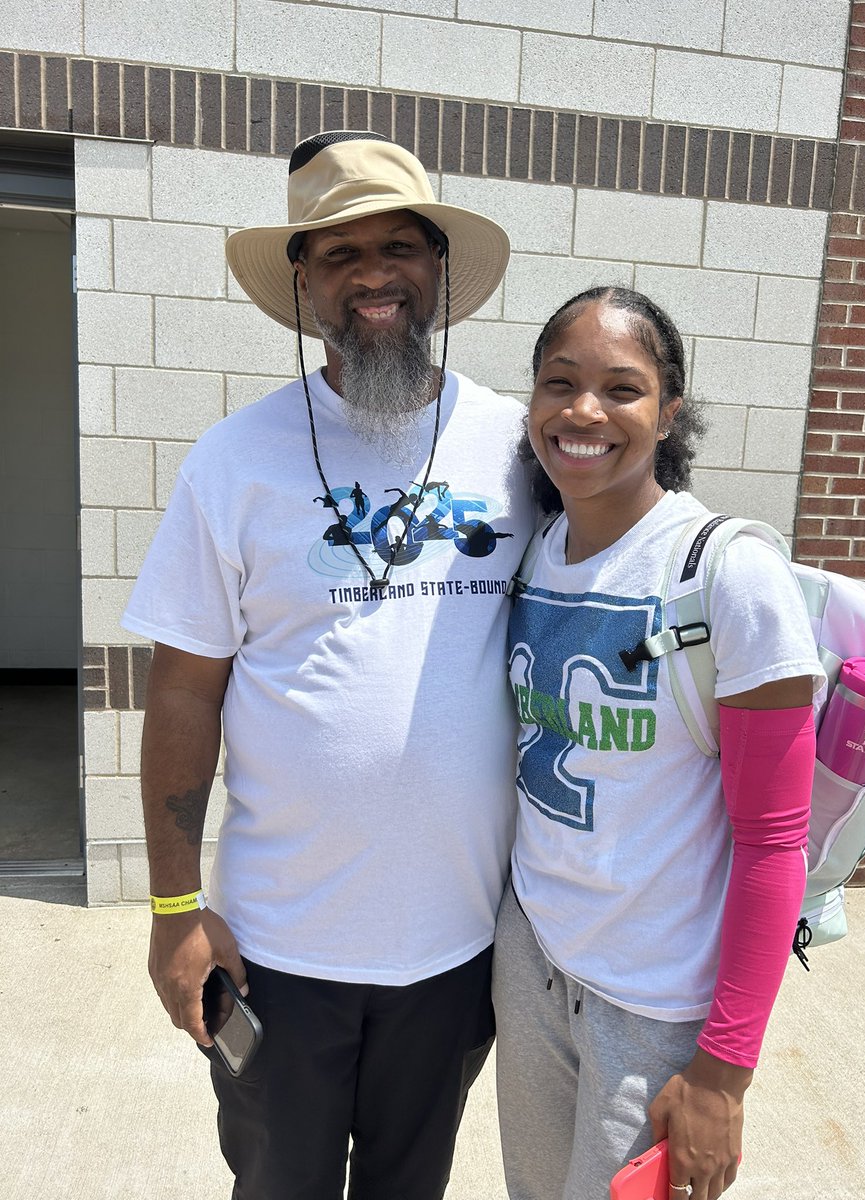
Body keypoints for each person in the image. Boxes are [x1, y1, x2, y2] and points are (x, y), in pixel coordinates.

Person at [121, 131, 535, 1200]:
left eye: (400, 245)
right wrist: (175, 917)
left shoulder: (519, 451)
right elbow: (183, 690)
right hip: (277, 953)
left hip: (453, 954)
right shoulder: (234, 459)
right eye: (340, 254)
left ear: (440, 269)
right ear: (303, 282)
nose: (374, 274)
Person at [493, 286, 825, 1200]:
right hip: (531, 962)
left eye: (622, 388)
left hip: (653, 1005)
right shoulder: (534, 549)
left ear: (670, 410)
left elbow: (772, 845)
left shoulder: (729, 577)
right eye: (559, 383)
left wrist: (724, 1071)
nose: (584, 411)